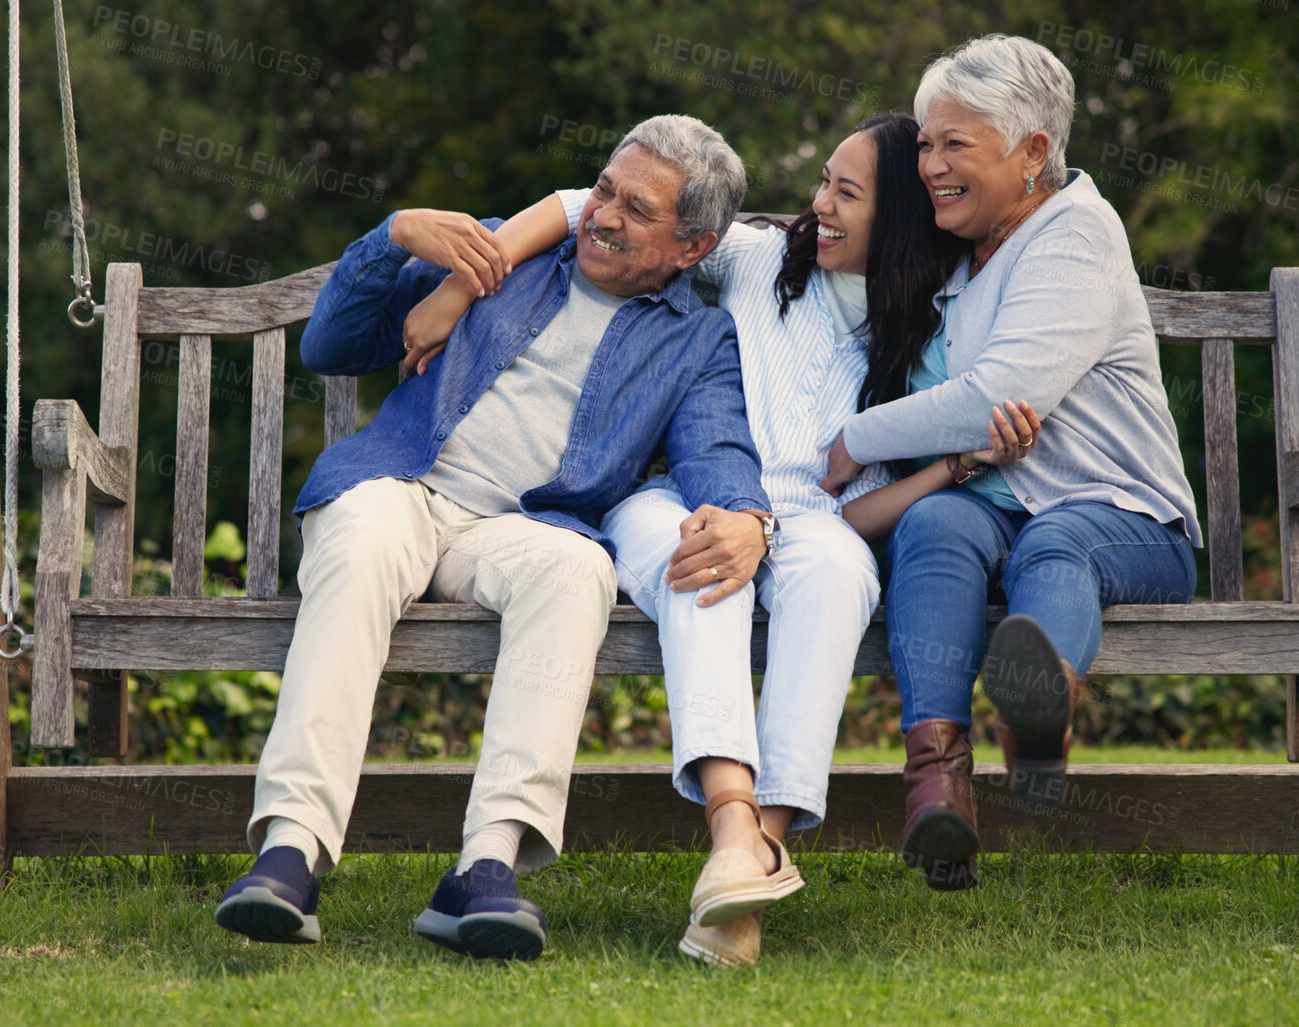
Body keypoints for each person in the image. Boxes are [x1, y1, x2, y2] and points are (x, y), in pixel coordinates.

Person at [403, 113, 1043, 964]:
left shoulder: (928, 331)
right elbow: (573, 202)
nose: (816, 206)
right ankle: (734, 822)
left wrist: (951, 467)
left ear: (896, 220)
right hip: (682, 498)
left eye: (844, 194)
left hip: (813, 524)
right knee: (699, 560)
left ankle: (747, 855)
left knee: (838, 574)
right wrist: (458, 285)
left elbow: (852, 513)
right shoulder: (756, 257)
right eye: (821, 181)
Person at [213, 115, 775, 962]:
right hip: (401, 487)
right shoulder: (496, 258)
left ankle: (485, 867)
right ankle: (289, 852)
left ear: (691, 247)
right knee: (363, 534)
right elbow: (331, 345)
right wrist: (392, 234)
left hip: (517, 530)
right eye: (603, 191)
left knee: (581, 565)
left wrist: (743, 512)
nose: (604, 215)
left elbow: (717, 446)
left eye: (636, 209)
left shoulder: (694, 338)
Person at [819, 34, 1203, 889]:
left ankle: (1042, 708)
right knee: (933, 522)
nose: (930, 165)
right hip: (995, 506)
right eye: (925, 142)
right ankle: (937, 785)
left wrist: (854, 440)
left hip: (1123, 518)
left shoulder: (1074, 233)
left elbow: (999, 391)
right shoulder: (965, 248)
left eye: (956, 143)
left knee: (1054, 543)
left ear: (1033, 152)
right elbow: (824, 233)